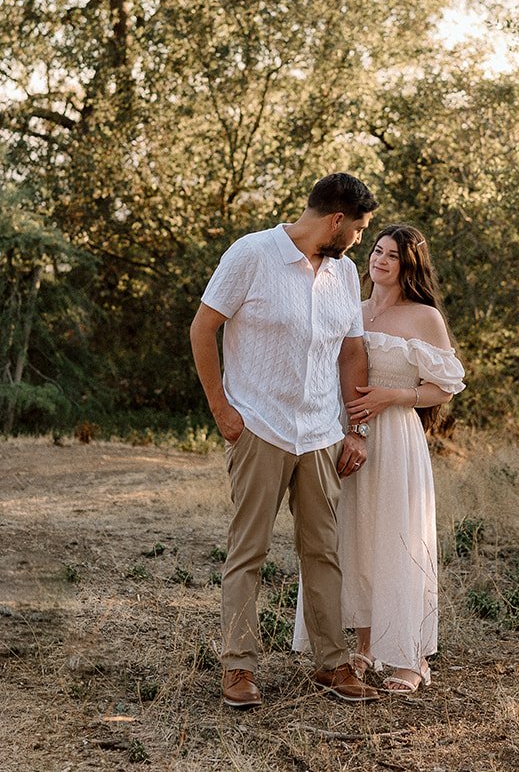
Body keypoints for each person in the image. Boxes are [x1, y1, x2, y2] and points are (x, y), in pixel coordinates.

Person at [189, 173, 384, 707]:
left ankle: (332, 664)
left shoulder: (343, 274)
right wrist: (222, 410)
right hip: (260, 428)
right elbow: (202, 329)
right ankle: (238, 670)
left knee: (323, 551)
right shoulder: (251, 254)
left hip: (320, 434)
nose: (361, 242)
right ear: (337, 221)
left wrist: (356, 427)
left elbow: (350, 353)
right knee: (247, 552)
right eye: (361, 229)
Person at [296, 223, 464, 693]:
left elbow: (445, 386)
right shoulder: (355, 308)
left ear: (409, 265)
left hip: (397, 439)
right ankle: (366, 648)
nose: (380, 260)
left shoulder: (423, 317)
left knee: (398, 539)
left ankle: (411, 657)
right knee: (358, 538)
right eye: (376, 250)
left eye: (392, 255)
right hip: (349, 435)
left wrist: (394, 395)